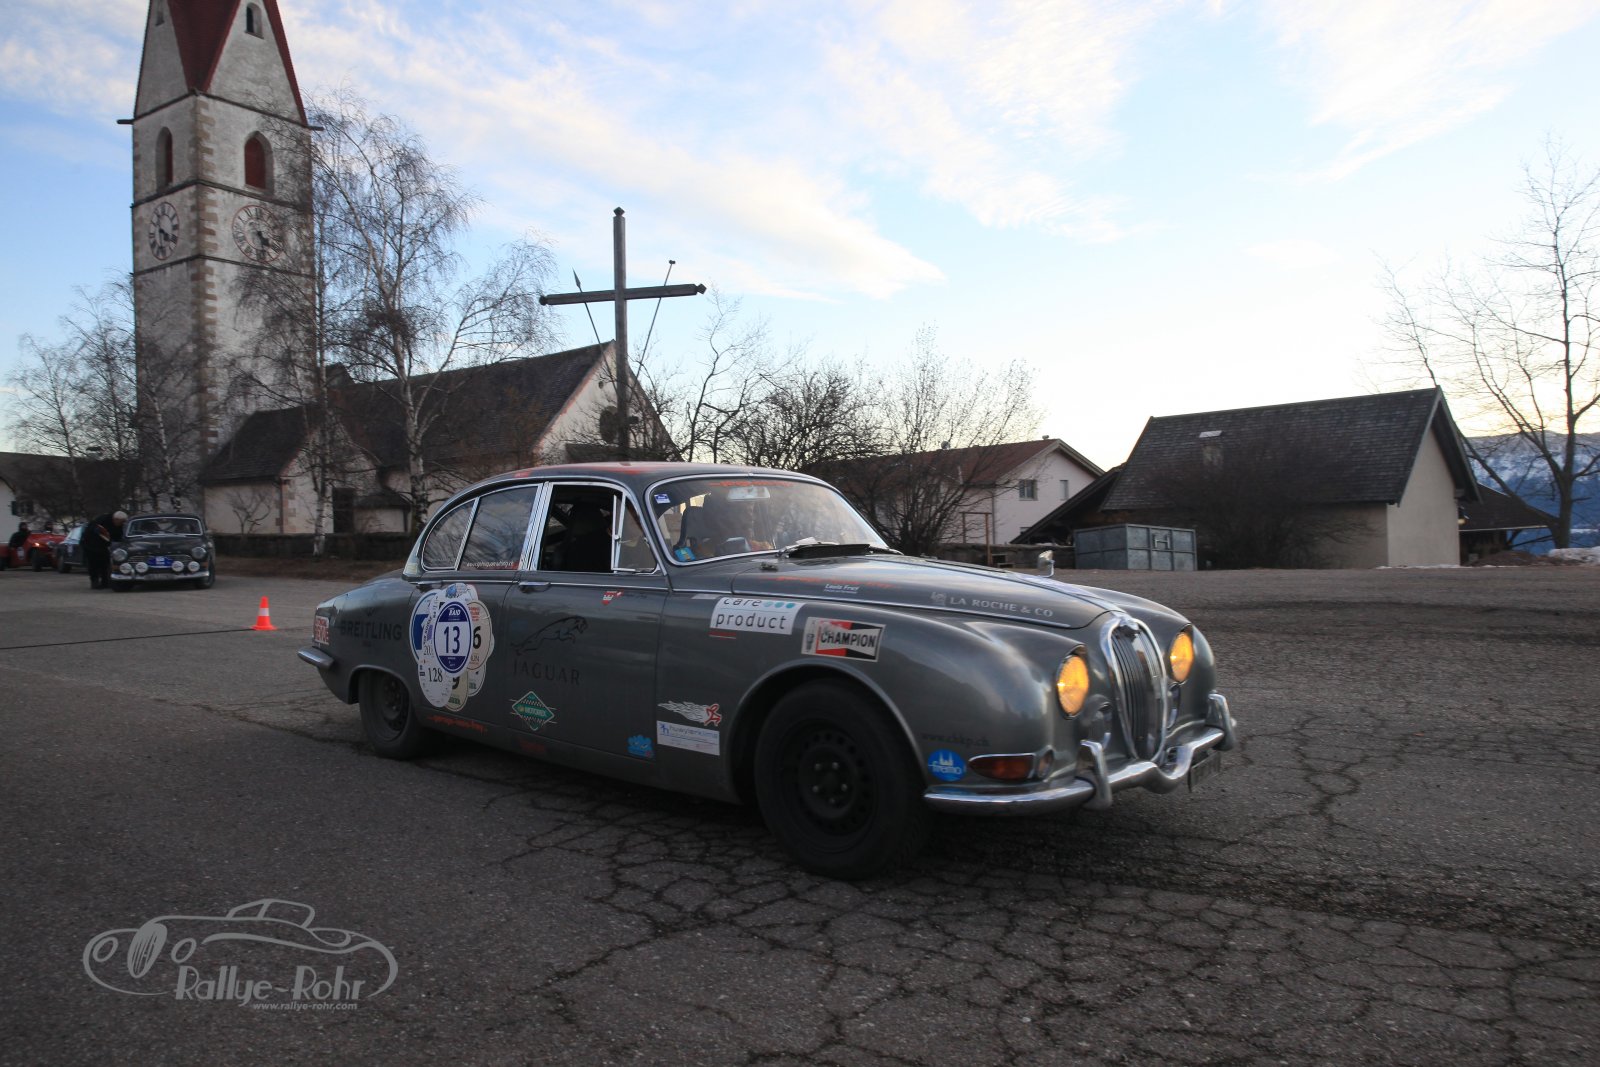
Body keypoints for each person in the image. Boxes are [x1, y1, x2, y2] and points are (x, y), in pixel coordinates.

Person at [83, 510, 127, 590]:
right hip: (91, 545)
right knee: (94, 564)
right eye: (121, 522)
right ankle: (95, 582)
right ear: (115, 519)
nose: (122, 524)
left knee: (105, 564)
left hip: (105, 546)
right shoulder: (101, 520)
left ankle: (105, 582)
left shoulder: (119, 525)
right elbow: (91, 532)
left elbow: (118, 536)